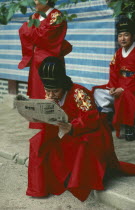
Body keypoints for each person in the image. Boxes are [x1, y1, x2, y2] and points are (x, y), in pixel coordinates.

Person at [26, 56, 135, 202]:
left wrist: (73, 126)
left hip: (93, 131)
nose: (51, 95)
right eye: (47, 91)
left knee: (83, 143)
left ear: (63, 85)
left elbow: (92, 118)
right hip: (70, 129)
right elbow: (51, 123)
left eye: (55, 91)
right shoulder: (50, 95)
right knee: (38, 141)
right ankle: (41, 187)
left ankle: (78, 181)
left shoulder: (79, 92)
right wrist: (46, 109)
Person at [18, 0, 72, 129]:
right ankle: (41, 124)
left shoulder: (56, 15)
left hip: (50, 61)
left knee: (52, 92)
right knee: (38, 92)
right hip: (37, 59)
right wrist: (31, 31)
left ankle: (54, 124)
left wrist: (29, 29)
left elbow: (45, 36)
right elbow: (23, 32)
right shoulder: (35, 16)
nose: (34, 1)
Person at [93, 16, 135, 141]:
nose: (122, 38)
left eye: (126, 35)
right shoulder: (118, 53)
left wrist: (123, 88)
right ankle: (108, 117)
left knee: (125, 95)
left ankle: (129, 125)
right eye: (120, 35)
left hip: (131, 84)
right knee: (98, 92)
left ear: (132, 36)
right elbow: (113, 70)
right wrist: (113, 87)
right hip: (120, 82)